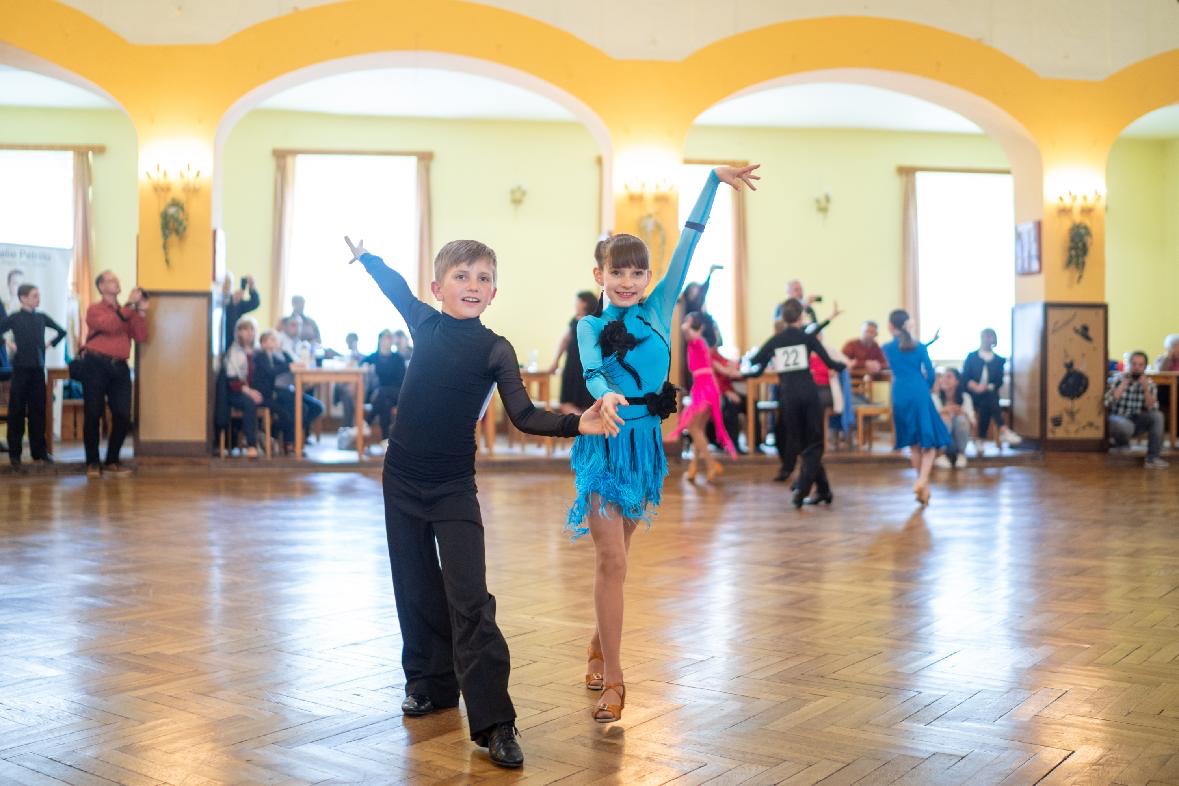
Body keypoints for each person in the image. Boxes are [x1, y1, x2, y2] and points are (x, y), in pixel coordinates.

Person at [343, 234, 618, 770]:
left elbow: (525, 415)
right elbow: (393, 287)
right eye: (462, 276)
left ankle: (495, 721)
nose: (473, 285)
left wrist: (575, 424)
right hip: (401, 479)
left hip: (452, 486)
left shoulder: (496, 349)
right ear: (438, 287)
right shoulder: (423, 322)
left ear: (494, 292)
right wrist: (368, 258)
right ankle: (429, 685)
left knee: (469, 598)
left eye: (483, 278)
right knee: (414, 584)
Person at [570, 164, 760, 727]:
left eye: (638, 272)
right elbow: (592, 372)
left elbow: (690, 241)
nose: (628, 281)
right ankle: (616, 679)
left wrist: (713, 180)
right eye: (618, 272)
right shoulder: (588, 326)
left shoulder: (658, 308)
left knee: (622, 557)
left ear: (649, 276)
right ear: (600, 274)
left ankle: (597, 642)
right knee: (610, 558)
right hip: (605, 445)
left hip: (646, 449)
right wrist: (604, 396)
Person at [747, 297, 846, 504]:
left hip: (788, 397)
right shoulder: (807, 338)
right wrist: (843, 366)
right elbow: (830, 363)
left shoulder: (776, 340)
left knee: (802, 443)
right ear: (801, 316)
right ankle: (802, 487)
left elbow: (755, 362)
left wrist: (744, 371)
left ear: (783, 318)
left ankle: (824, 491)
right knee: (815, 443)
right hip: (809, 394)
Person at [80, 270, 149, 477]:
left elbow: (141, 336)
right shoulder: (94, 309)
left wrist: (142, 312)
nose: (117, 282)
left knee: (122, 415)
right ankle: (92, 462)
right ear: (101, 286)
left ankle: (112, 460)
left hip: (120, 367)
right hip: (95, 364)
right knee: (93, 413)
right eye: (112, 280)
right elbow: (110, 325)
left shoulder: (127, 311)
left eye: (117, 279)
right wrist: (129, 305)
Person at [883, 309, 950, 506]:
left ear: (891, 326)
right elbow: (930, 372)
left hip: (899, 393)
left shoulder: (887, 348)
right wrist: (925, 387)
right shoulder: (919, 347)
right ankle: (921, 481)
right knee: (929, 442)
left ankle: (923, 488)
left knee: (914, 444)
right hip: (919, 391)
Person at [0, 284, 66, 466]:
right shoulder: (15, 318)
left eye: (38, 295)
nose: (38, 299)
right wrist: (7, 343)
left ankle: (39, 452)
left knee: (38, 411)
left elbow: (62, 331)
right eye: (35, 295)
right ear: (23, 298)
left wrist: (48, 345)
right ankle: (15, 453)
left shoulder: (41, 317)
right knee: (17, 412)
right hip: (20, 370)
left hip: (37, 370)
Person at [668, 311, 737, 481]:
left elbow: (685, 330)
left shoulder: (697, 341)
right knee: (698, 429)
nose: (686, 325)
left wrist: (687, 324)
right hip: (705, 387)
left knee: (692, 427)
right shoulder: (701, 344)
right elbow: (719, 369)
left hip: (704, 389)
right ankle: (693, 468)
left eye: (689, 321)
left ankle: (711, 464)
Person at [253, 328, 323, 451]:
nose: (276, 342)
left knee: (314, 407)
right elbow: (271, 372)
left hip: (279, 392)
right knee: (296, 410)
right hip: (267, 395)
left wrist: (294, 362)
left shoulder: (276, 355)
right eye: (272, 340)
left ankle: (286, 435)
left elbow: (288, 364)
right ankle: (282, 437)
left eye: (276, 340)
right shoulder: (261, 356)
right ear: (263, 343)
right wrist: (290, 366)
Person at [1106, 351, 1169, 469]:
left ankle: (1152, 458)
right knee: (1122, 425)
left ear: (1145, 367)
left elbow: (1153, 408)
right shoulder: (1117, 379)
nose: (1137, 368)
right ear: (1128, 365)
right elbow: (1106, 403)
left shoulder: (1149, 384)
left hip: (1138, 420)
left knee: (1158, 416)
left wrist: (1145, 389)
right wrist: (1123, 385)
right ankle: (1122, 445)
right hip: (1118, 418)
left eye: (1140, 365)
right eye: (1134, 364)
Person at [962, 328, 1022, 447]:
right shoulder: (971, 356)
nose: (987, 339)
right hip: (972, 395)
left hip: (989, 393)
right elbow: (965, 377)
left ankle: (981, 439)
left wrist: (986, 387)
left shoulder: (999, 360)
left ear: (994, 339)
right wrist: (976, 387)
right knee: (990, 399)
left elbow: (999, 381)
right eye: (985, 336)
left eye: (990, 336)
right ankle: (1003, 429)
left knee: (987, 399)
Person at [548, 290, 598, 415]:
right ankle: (583, 421)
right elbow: (564, 341)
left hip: (585, 366)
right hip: (575, 365)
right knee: (570, 403)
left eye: (577, 301)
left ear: (585, 303)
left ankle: (583, 421)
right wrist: (555, 361)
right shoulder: (576, 320)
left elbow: (565, 340)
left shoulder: (593, 320)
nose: (575, 304)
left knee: (578, 403)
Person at [223, 316, 262, 459]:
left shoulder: (258, 351)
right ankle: (251, 444)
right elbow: (232, 379)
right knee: (249, 402)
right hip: (237, 392)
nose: (249, 332)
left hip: (255, 390)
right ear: (238, 332)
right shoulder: (234, 351)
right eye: (245, 329)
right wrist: (250, 392)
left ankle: (268, 439)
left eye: (252, 329)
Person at [363, 329, 406, 442]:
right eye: (385, 338)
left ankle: (366, 422)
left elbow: (403, 381)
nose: (387, 341)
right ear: (380, 340)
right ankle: (385, 440)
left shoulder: (398, 358)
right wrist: (366, 365)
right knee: (385, 404)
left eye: (389, 338)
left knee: (381, 392)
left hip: (397, 392)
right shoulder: (374, 357)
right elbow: (362, 363)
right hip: (381, 396)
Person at [933, 367, 974, 469]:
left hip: (958, 441)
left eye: (949, 377)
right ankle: (941, 455)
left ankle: (961, 454)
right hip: (940, 443)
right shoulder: (935, 398)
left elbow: (973, 423)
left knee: (961, 419)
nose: (944, 379)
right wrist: (944, 411)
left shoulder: (965, 398)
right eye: (943, 377)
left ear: (957, 381)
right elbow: (929, 422)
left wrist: (962, 413)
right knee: (943, 418)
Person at [218, 272, 260, 353]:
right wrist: (231, 303)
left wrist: (251, 287)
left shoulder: (236, 300)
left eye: (229, 283)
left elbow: (255, 303)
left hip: (233, 343)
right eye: (224, 283)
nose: (226, 286)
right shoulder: (214, 300)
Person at [842, 320, 888, 385]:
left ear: (876, 334)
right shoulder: (851, 345)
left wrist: (878, 365)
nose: (868, 334)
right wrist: (865, 363)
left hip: (868, 381)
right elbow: (842, 362)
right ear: (861, 331)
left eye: (872, 332)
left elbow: (885, 363)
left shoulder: (875, 346)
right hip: (850, 381)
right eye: (866, 331)